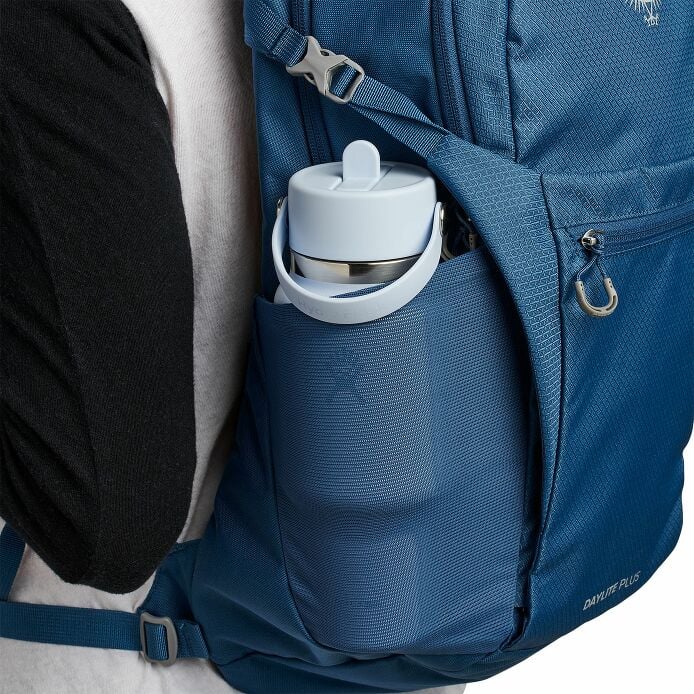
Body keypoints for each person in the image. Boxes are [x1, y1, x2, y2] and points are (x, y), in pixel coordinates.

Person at [0, 2, 465, 693]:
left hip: (139, 661)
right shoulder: (398, 18)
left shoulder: (47, 24)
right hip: (396, 631)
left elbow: (108, 524)